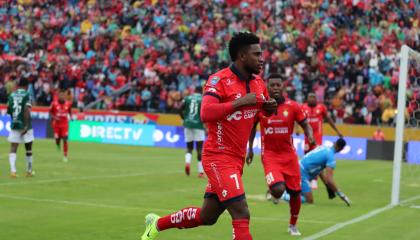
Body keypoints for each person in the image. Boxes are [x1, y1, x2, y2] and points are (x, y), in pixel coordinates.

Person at [141, 32, 277, 240]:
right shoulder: (219, 80)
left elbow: (260, 111)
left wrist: (268, 109)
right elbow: (206, 113)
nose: (262, 58)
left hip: (236, 159)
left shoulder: (258, 83)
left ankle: (157, 224)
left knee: (208, 216)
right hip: (218, 157)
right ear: (242, 56)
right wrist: (240, 102)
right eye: (256, 54)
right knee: (241, 212)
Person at [246, 73, 315, 236]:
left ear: (283, 86)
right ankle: (274, 192)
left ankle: (293, 224)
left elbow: (306, 124)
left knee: (296, 193)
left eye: (278, 85)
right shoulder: (260, 107)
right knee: (278, 189)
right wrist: (249, 150)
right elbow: (251, 128)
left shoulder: (293, 106)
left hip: (289, 156)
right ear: (267, 87)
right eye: (273, 85)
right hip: (269, 155)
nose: (276, 88)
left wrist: (310, 135)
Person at [280, 138, 351, 206]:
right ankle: (282, 196)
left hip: (298, 167)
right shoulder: (330, 157)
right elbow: (329, 179)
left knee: (299, 193)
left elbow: (320, 172)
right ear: (341, 149)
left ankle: (286, 191)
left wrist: (327, 185)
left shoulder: (323, 147)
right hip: (302, 173)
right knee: (309, 200)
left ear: (334, 143)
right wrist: (341, 194)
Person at [302, 92, 343, 189]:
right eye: (310, 97)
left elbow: (329, 120)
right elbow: (298, 119)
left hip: (317, 139)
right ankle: (307, 178)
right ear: (307, 98)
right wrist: (296, 129)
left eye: (313, 97)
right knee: (307, 160)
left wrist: (337, 131)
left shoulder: (321, 108)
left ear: (316, 99)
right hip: (307, 139)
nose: (311, 99)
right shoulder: (303, 107)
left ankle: (314, 181)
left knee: (318, 161)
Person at [7, 77, 34, 178]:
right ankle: (29, 170)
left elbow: (9, 110)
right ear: (27, 86)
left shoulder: (12, 95)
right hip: (25, 125)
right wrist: (26, 126)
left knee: (13, 147)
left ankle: (13, 171)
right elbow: (27, 109)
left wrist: (15, 120)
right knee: (28, 147)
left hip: (15, 124)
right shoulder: (27, 95)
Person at [179, 86, 205, 178]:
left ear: (194, 91)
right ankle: (201, 172)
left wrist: (183, 118)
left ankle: (187, 163)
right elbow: (205, 112)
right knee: (199, 149)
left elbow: (179, 108)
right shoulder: (203, 99)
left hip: (187, 124)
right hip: (198, 125)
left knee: (189, 147)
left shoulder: (187, 98)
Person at [49, 89, 72, 162]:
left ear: (65, 96)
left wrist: (71, 117)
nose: (62, 97)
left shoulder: (68, 104)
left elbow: (70, 111)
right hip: (56, 124)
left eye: (63, 95)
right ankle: (57, 144)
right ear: (58, 96)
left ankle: (65, 156)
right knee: (57, 139)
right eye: (60, 95)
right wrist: (54, 117)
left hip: (65, 124)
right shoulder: (54, 104)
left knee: (65, 139)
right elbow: (50, 112)